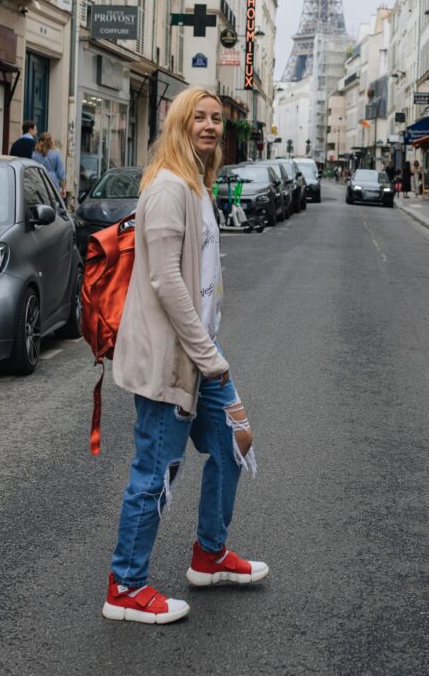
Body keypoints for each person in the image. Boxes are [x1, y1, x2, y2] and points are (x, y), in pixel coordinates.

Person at [104, 86, 267, 626]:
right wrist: (207, 353)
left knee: (233, 446)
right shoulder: (171, 186)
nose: (209, 126)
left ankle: (209, 554)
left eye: (216, 118)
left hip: (201, 351)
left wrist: (210, 347)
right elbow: (166, 279)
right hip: (175, 358)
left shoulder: (197, 181)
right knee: (154, 471)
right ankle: (125, 586)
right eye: (198, 117)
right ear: (178, 124)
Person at [32, 132, 67, 200]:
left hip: (38, 182)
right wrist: (64, 188)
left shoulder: (35, 154)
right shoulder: (57, 153)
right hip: (52, 182)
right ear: (51, 141)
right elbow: (61, 173)